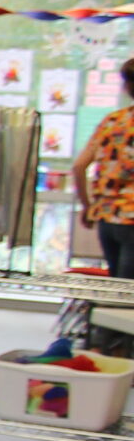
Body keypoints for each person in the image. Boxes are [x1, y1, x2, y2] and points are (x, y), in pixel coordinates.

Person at [71, 58, 134, 279]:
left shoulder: (113, 121)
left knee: (115, 292)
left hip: (107, 216)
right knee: (128, 299)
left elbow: (79, 166)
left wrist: (88, 207)